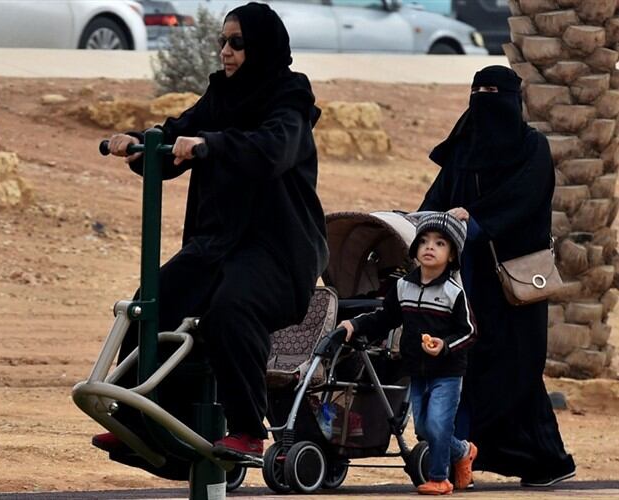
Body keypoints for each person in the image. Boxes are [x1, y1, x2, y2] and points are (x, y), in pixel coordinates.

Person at [93, 2, 328, 461]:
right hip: (218, 244)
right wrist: (142, 144)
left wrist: (210, 144)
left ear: (260, 46)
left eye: (236, 43)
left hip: (277, 251)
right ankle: (139, 415)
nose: (226, 51)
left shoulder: (290, 97)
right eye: (222, 41)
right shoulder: (220, 96)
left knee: (230, 311)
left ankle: (246, 429)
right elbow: (174, 136)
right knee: (152, 302)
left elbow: (272, 150)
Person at [419, 65, 576, 487]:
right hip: (466, 283)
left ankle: (545, 460)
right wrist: (421, 225)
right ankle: (461, 456)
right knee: (467, 368)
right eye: (477, 90)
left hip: (511, 285)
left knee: (515, 371)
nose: (484, 98)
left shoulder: (532, 147)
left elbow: (522, 201)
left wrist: (474, 220)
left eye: (493, 91)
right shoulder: (464, 147)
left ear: (513, 97)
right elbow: (436, 198)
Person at [339, 212, 478, 495]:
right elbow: (385, 317)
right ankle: (463, 450)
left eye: (440, 243)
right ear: (414, 249)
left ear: (452, 256)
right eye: (424, 241)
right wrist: (354, 325)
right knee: (425, 429)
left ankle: (440, 478)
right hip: (416, 368)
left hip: (448, 371)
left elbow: (470, 331)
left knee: (438, 425)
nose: (430, 247)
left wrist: (445, 345)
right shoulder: (403, 287)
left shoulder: (454, 293)